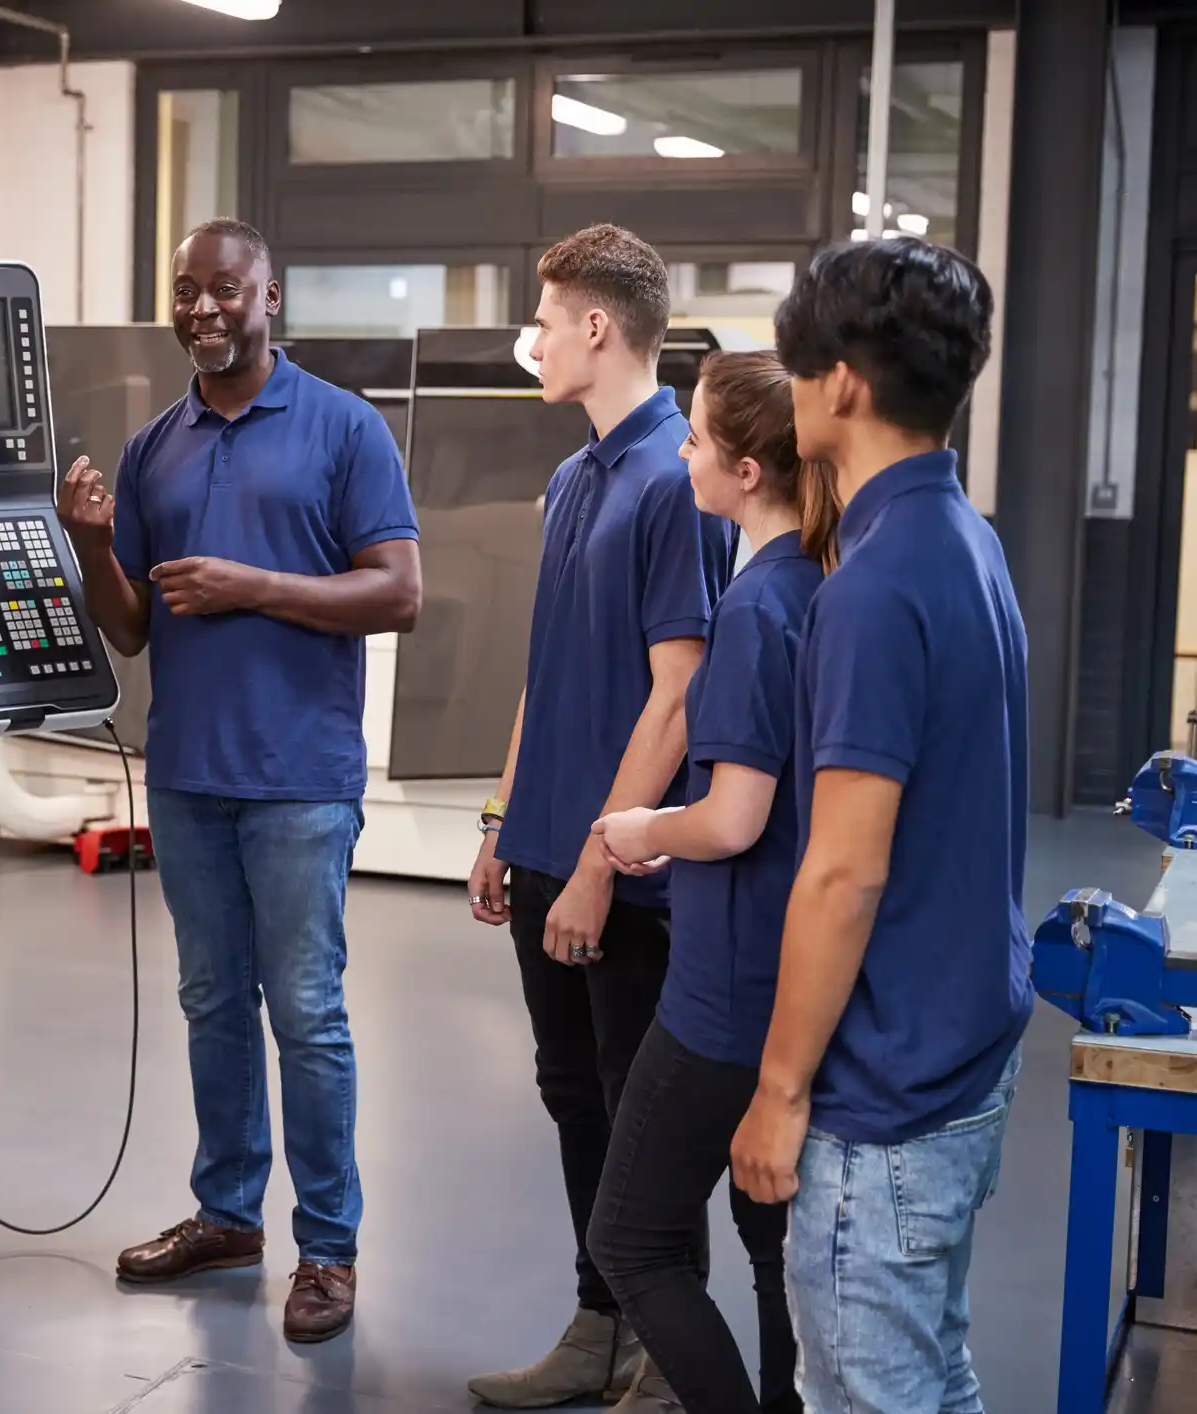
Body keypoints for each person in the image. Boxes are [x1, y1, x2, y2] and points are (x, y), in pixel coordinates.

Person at [58, 218, 421, 1345]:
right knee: (212, 1004)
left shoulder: (342, 429)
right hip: (188, 772)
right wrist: (91, 545)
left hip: (300, 778)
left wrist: (254, 585)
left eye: (226, 290)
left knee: (305, 1014)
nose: (204, 308)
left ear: (271, 296)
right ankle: (226, 1214)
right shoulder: (154, 446)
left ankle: (327, 1245)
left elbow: (397, 590)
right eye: (186, 292)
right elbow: (130, 632)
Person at [730, 237, 1021, 1414]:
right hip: (962, 1060)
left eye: (797, 369)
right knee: (931, 1379)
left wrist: (779, 1089)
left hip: (882, 1103)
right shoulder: (965, 542)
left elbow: (842, 873)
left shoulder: (869, 587)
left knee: (868, 1392)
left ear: (841, 382)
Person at [465, 225, 735, 1409]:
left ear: (593, 325)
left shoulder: (680, 473)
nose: (528, 340)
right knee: (572, 1094)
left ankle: (667, 1352)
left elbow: (677, 693)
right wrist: (500, 819)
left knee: (640, 1115)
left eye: (542, 315)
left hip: (627, 870)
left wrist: (591, 860)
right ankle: (598, 1322)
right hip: (543, 848)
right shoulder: (573, 477)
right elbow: (545, 668)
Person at [588, 353, 836, 1414]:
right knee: (765, 1235)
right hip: (789, 977)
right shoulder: (822, 587)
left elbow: (732, 818)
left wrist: (641, 827)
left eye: (690, 440)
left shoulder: (752, 610)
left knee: (630, 1239)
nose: (678, 453)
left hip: (722, 997)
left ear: (741, 470)